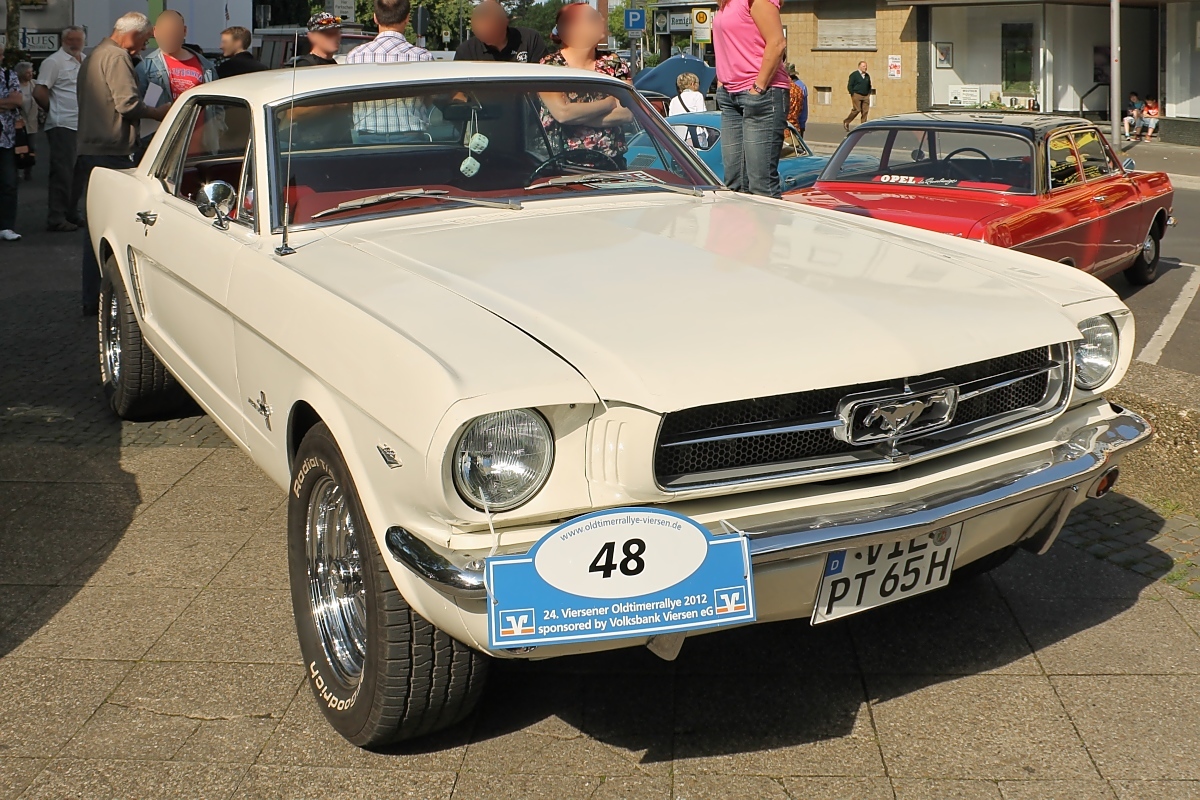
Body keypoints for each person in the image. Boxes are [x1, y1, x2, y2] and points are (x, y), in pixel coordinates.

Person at [77, 11, 172, 315]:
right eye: (143, 42)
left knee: (95, 226)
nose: (142, 49)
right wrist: (158, 113)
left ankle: (92, 297)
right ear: (131, 35)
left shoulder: (94, 55)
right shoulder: (117, 57)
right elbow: (127, 104)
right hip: (111, 149)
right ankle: (103, 298)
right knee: (112, 229)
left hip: (92, 147)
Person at [538, 2, 633, 166]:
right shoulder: (550, 65)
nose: (602, 20)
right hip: (564, 166)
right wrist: (609, 103)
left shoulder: (614, 63)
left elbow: (629, 113)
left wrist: (577, 117)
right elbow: (563, 113)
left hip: (611, 164)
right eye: (592, 18)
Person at [712, 0, 789, 197]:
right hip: (731, 97)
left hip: (762, 94)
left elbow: (777, 42)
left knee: (761, 185)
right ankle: (740, 228)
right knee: (734, 183)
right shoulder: (725, 4)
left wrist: (759, 86)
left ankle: (766, 228)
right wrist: (722, 82)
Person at [347, 0, 433, 143]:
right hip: (411, 137)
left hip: (367, 136)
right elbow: (429, 99)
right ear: (407, 19)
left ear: (375, 18)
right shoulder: (422, 57)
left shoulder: (355, 56)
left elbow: (348, 99)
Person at [34, 25, 85, 231]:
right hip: (62, 124)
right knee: (62, 173)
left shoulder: (84, 60)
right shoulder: (53, 62)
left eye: (77, 40)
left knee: (78, 173)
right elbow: (39, 92)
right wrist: (53, 110)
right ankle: (57, 217)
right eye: (69, 40)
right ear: (62, 42)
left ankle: (72, 213)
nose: (73, 44)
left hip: (81, 125)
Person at [136, 9, 215, 108]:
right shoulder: (145, 68)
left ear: (184, 31)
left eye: (173, 32)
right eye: (164, 32)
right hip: (163, 123)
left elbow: (216, 107)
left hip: (200, 123)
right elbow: (137, 107)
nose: (168, 37)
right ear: (155, 32)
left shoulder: (207, 67)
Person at [456, 0, 547, 63]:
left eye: (489, 23)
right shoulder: (467, 51)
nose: (485, 29)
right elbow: (457, 89)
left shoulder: (530, 40)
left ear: (505, 21)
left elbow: (545, 82)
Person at [0, 42, 24, 242]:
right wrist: (5, 103)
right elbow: (11, 101)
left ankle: (6, 226)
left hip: (6, 139)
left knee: (9, 183)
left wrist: (9, 103)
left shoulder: (10, 75)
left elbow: (17, 101)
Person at [668, 72, 709, 148]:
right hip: (696, 136)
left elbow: (671, 122)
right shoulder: (697, 95)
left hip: (680, 138)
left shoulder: (674, 100)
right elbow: (703, 117)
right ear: (692, 84)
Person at [16, 62, 38, 182]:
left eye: (31, 72)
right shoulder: (15, 86)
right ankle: (17, 170)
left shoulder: (34, 85)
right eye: (27, 72)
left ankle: (28, 171)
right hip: (19, 122)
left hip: (32, 121)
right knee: (19, 148)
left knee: (32, 147)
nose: (30, 74)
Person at [843, 60, 871, 132]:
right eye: (864, 66)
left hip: (865, 95)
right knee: (857, 110)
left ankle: (863, 126)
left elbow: (869, 85)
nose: (865, 68)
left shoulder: (867, 76)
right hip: (857, 94)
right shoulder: (854, 75)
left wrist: (868, 93)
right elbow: (850, 85)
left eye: (866, 66)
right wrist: (852, 93)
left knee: (865, 111)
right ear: (859, 67)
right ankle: (847, 121)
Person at [788, 63, 808, 136]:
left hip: (786, 126)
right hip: (797, 125)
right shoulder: (802, 86)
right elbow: (804, 108)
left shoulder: (787, 87)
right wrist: (802, 124)